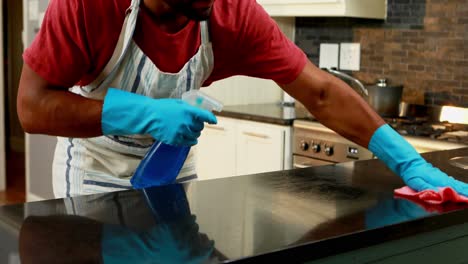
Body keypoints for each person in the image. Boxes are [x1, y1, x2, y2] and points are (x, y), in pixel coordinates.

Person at [17, 0, 468, 198]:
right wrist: (143, 114)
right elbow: (32, 108)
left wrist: (408, 161)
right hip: (98, 172)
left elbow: (322, 91)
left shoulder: (232, 14)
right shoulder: (88, 6)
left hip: (172, 172)